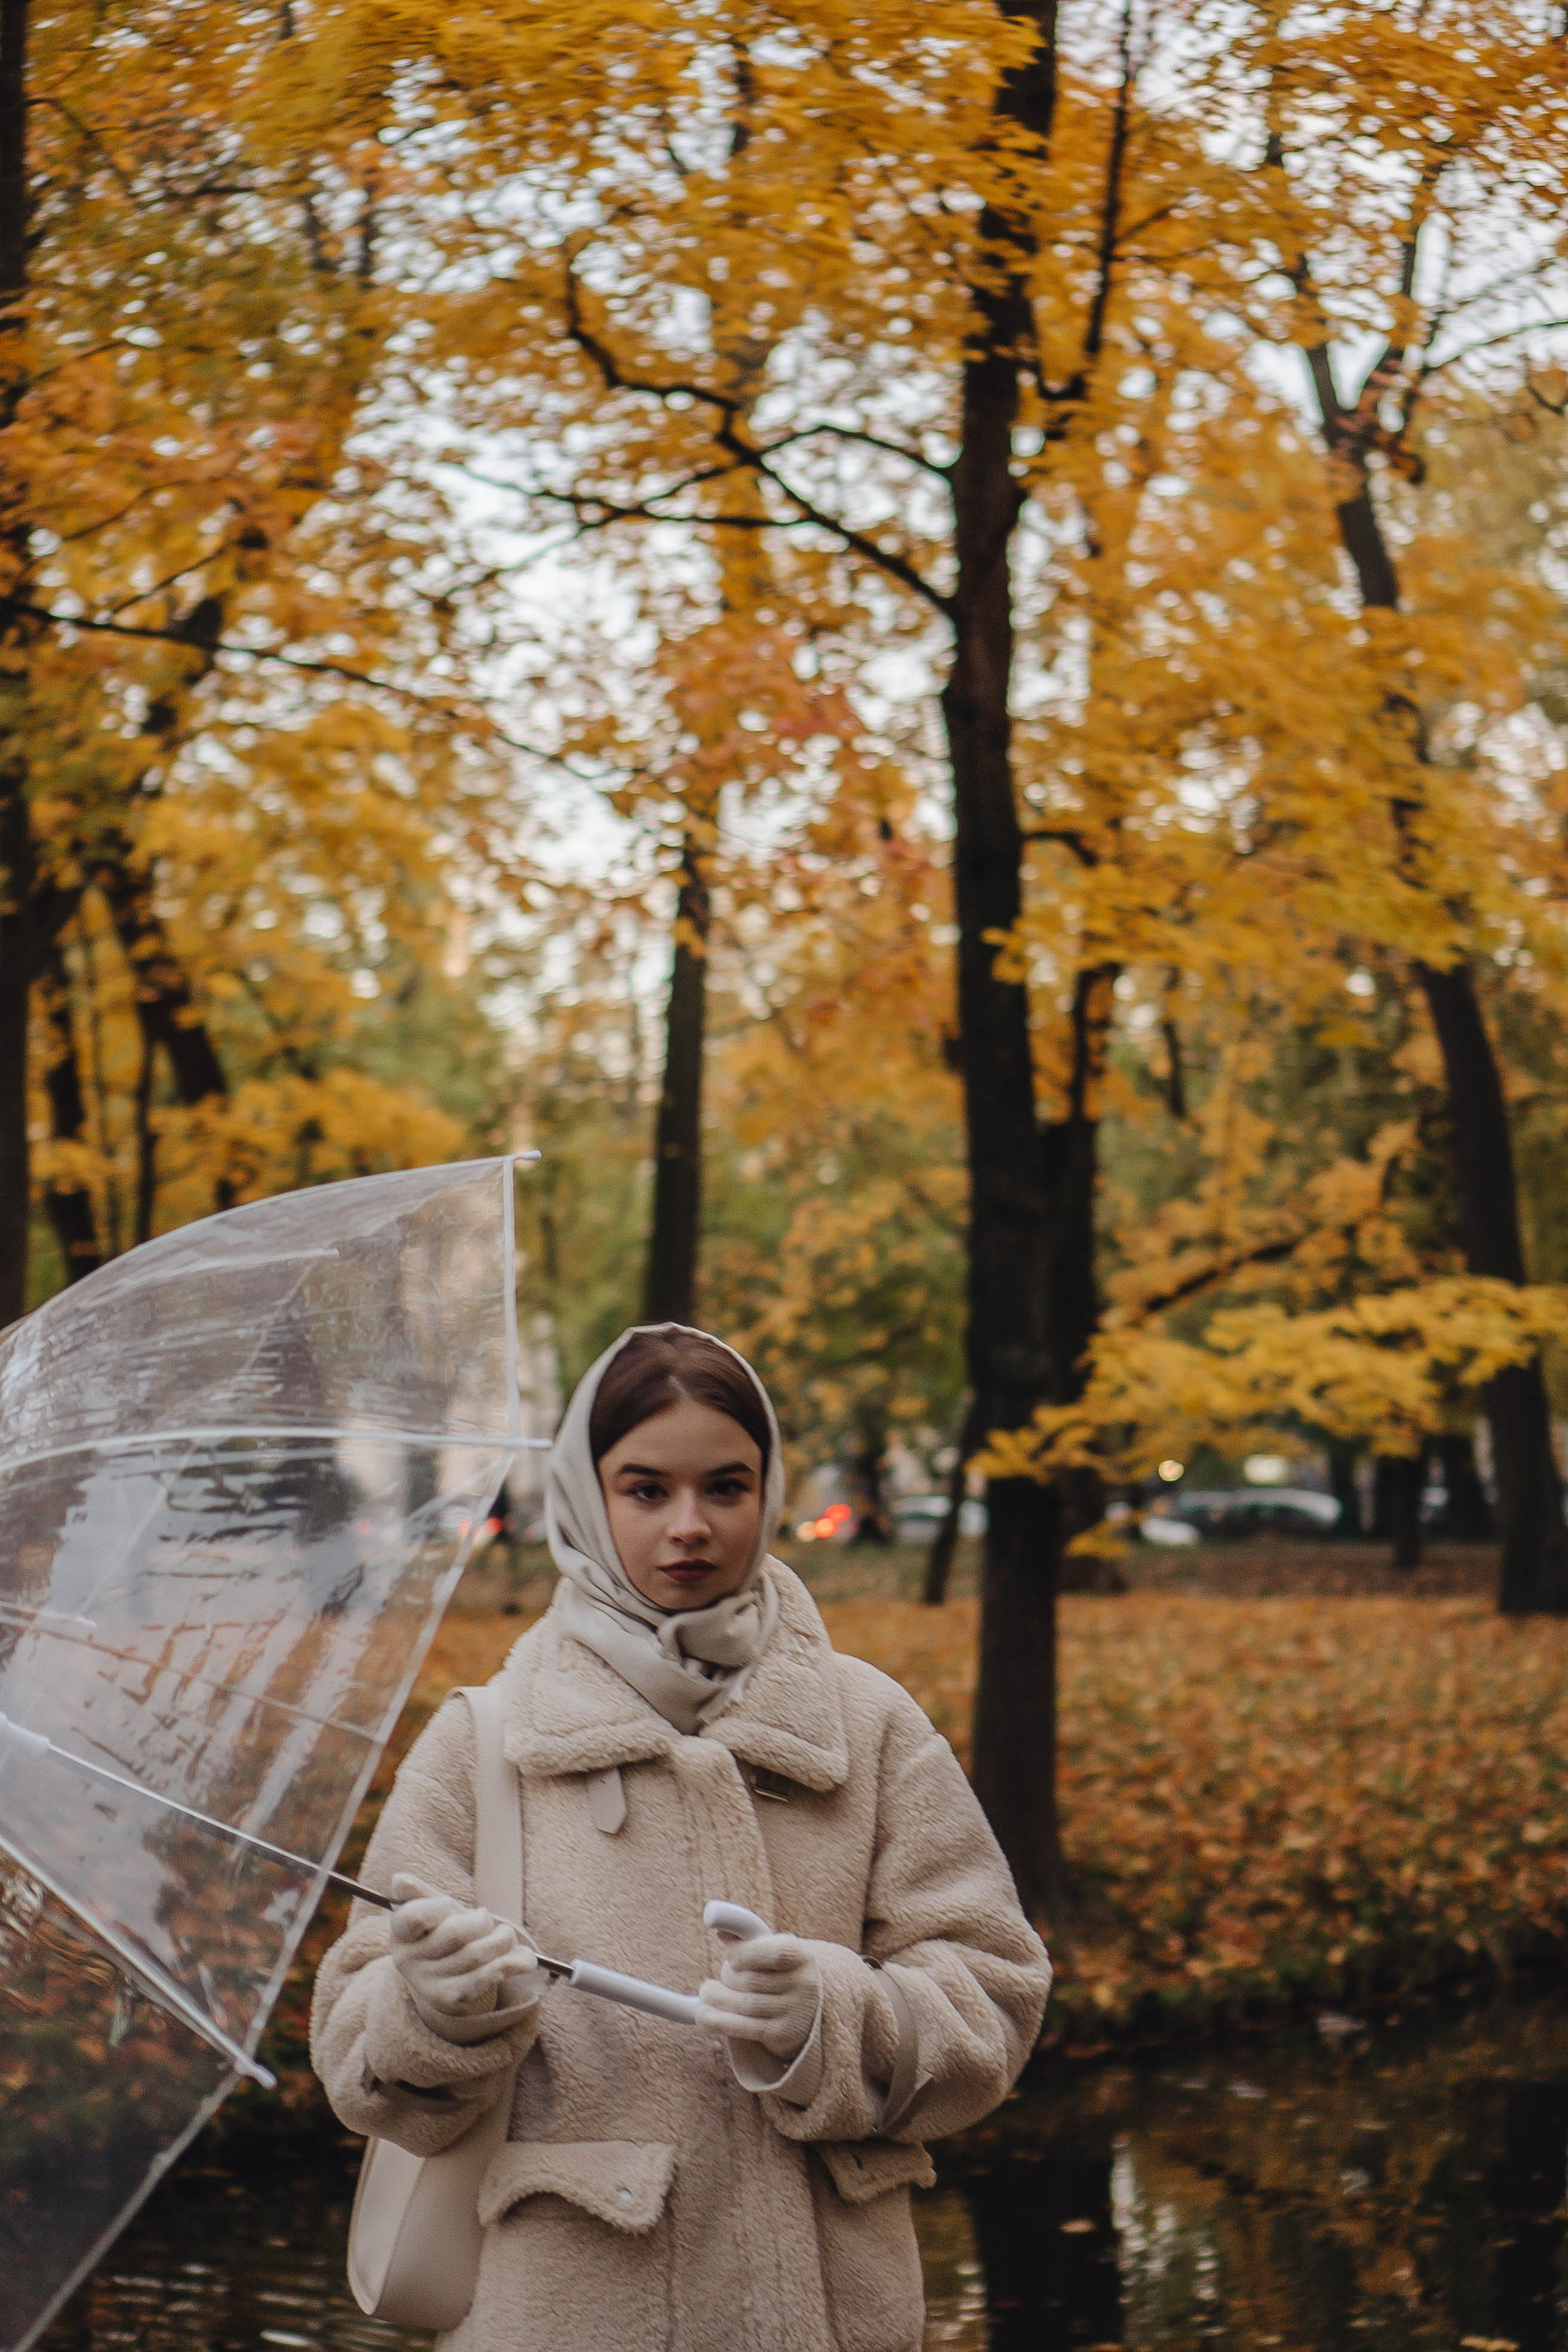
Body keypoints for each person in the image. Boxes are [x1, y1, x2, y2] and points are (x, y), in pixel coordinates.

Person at [311, 1324, 1050, 2352]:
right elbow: (356, 2047)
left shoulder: (868, 1724)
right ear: (587, 1494)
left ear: (769, 1491)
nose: (690, 1527)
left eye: (727, 1488)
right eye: (647, 1489)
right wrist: (433, 2013)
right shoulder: (488, 1739)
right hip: (568, 2313)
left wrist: (829, 2017)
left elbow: (995, 1993)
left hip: (832, 2314)